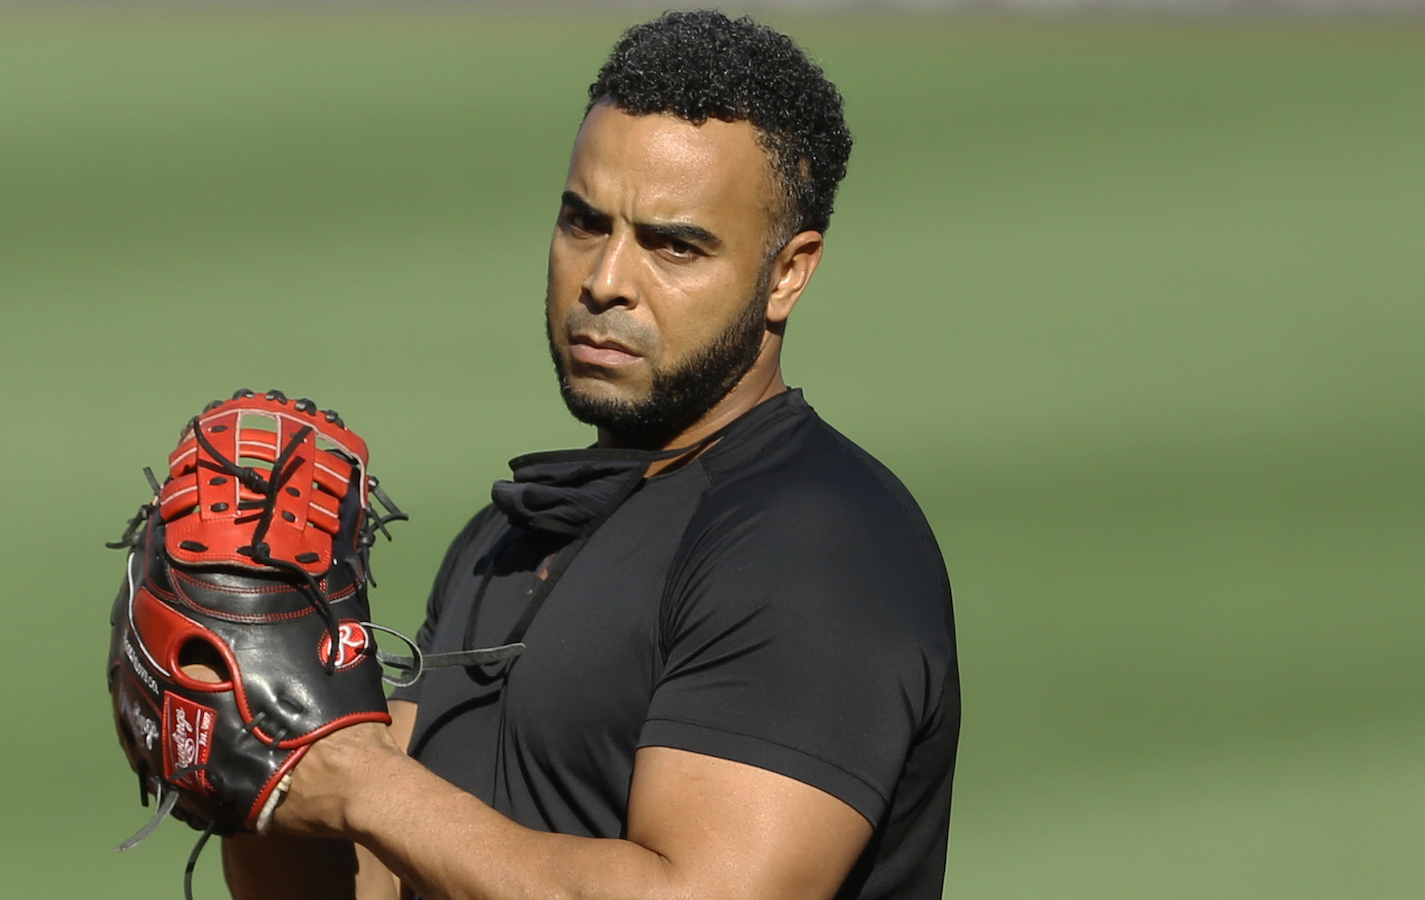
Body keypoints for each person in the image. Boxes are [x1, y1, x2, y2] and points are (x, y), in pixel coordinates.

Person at [223, 11, 960, 900]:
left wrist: (368, 784)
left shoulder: (817, 547)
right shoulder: (508, 538)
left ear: (788, 273)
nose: (606, 280)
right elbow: (373, 879)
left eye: (673, 244)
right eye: (584, 222)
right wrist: (258, 768)